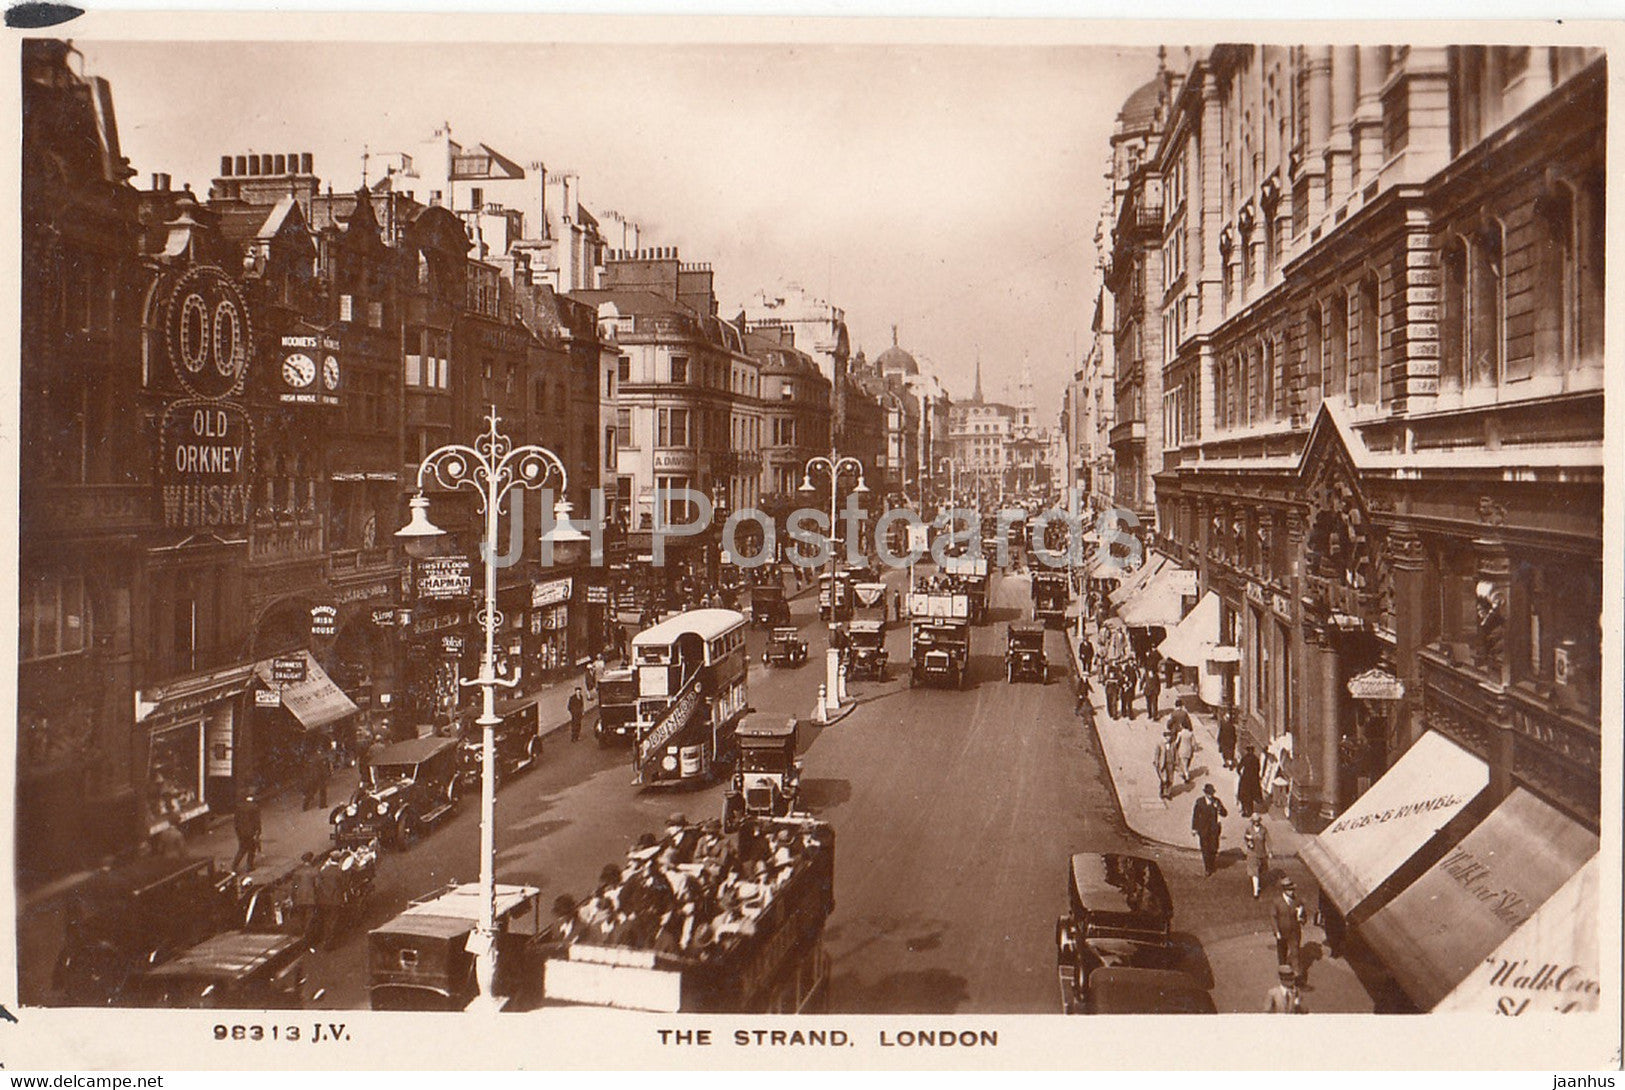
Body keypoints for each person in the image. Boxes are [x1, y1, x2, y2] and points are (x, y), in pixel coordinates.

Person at [1272, 876, 1307, 984]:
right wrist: (1276, 931)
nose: (1291, 892)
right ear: (1284, 890)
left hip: (1294, 932)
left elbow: (1303, 916)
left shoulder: (1297, 901)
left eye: (1292, 889)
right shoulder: (1277, 902)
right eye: (1289, 889)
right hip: (1282, 932)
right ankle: (1283, 975)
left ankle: (1297, 976)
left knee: (1295, 952)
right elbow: (1273, 917)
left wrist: (1301, 918)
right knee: (1282, 954)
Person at [1190, 783, 1228, 875]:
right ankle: (1208, 868)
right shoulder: (1199, 802)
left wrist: (1218, 808)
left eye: (1211, 793)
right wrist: (1194, 828)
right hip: (1203, 829)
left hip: (1214, 829)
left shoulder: (1217, 801)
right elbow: (1195, 816)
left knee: (1214, 848)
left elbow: (1225, 813)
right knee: (1205, 849)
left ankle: (1212, 862)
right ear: (1205, 793)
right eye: (1208, 794)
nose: (1210, 795)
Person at [1243, 812, 1271, 898]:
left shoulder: (1263, 830)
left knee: (1261, 871)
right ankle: (1256, 892)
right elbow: (1246, 839)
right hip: (1252, 854)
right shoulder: (1249, 829)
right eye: (1254, 821)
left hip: (1262, 853)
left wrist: (1270, 851)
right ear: (1252, 821)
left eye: (1257, 820)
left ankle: (1257, 885)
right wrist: (1249, 843)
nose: (1256, 822)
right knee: (1254, 872)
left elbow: (1268, 840)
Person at [231, 793, 261, 873]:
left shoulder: (239, 807)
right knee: (251, 849)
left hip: (240, 832)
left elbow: (236, 821)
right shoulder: (254, 807)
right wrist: (258, 831)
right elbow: (257, 821)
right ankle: (249, 866)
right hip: (250, 832)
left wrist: (238, 831)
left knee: (242, 848)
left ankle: (234, 866)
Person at [1237, 744, 1265, 817]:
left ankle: (1244, 810)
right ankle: (1250, 811)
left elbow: (1239, 767)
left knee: (1243, 795)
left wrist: (1240, 773)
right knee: (1251, 795)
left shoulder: (1245, 758)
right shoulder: (1256, 759)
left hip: (1245, 779)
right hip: (1253, 779)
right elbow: (1259, 769)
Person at [301, 743, 329, 812]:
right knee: (322, 790)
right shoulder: (322, 757)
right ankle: (322, 805)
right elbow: (324, 768)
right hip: (320, 776)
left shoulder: (311, 757)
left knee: (312, 791)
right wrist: (326, 775)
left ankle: (305, 805)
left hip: (312, 776)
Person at [1174, 719, 1196, 783]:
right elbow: (1194, 743)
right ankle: (1185, 773)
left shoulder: (1180, 733)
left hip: (1182, 750)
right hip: (1189, 750)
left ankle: (1187, 776)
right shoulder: (1190, 733)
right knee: (1186, 763)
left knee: (1184, 764)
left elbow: (1177, 742)